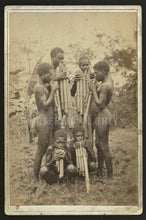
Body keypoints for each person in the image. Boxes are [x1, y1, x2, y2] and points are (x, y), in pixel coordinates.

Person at [33, 63, 59, 181]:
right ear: (42, 74)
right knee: (41, 150)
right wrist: (53, 90)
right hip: (43, 120)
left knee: (50, 147)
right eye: (48, 73)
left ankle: (48, 174)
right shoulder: (38, 87)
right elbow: (45, 105)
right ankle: (35, 178)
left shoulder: (44, 85)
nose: (51, 75)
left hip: (49, 120)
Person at [88, 61, 113, 178]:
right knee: (98, 144)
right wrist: (94, 82)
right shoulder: (103, 82)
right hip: (99, 116)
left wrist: (93, 89)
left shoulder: (106, 85)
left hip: (102, 116)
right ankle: (99, 171)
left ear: (103, 72)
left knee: (104, 145)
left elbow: (100, 104)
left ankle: (110, 175)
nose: (96, 75)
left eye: (97, 73)